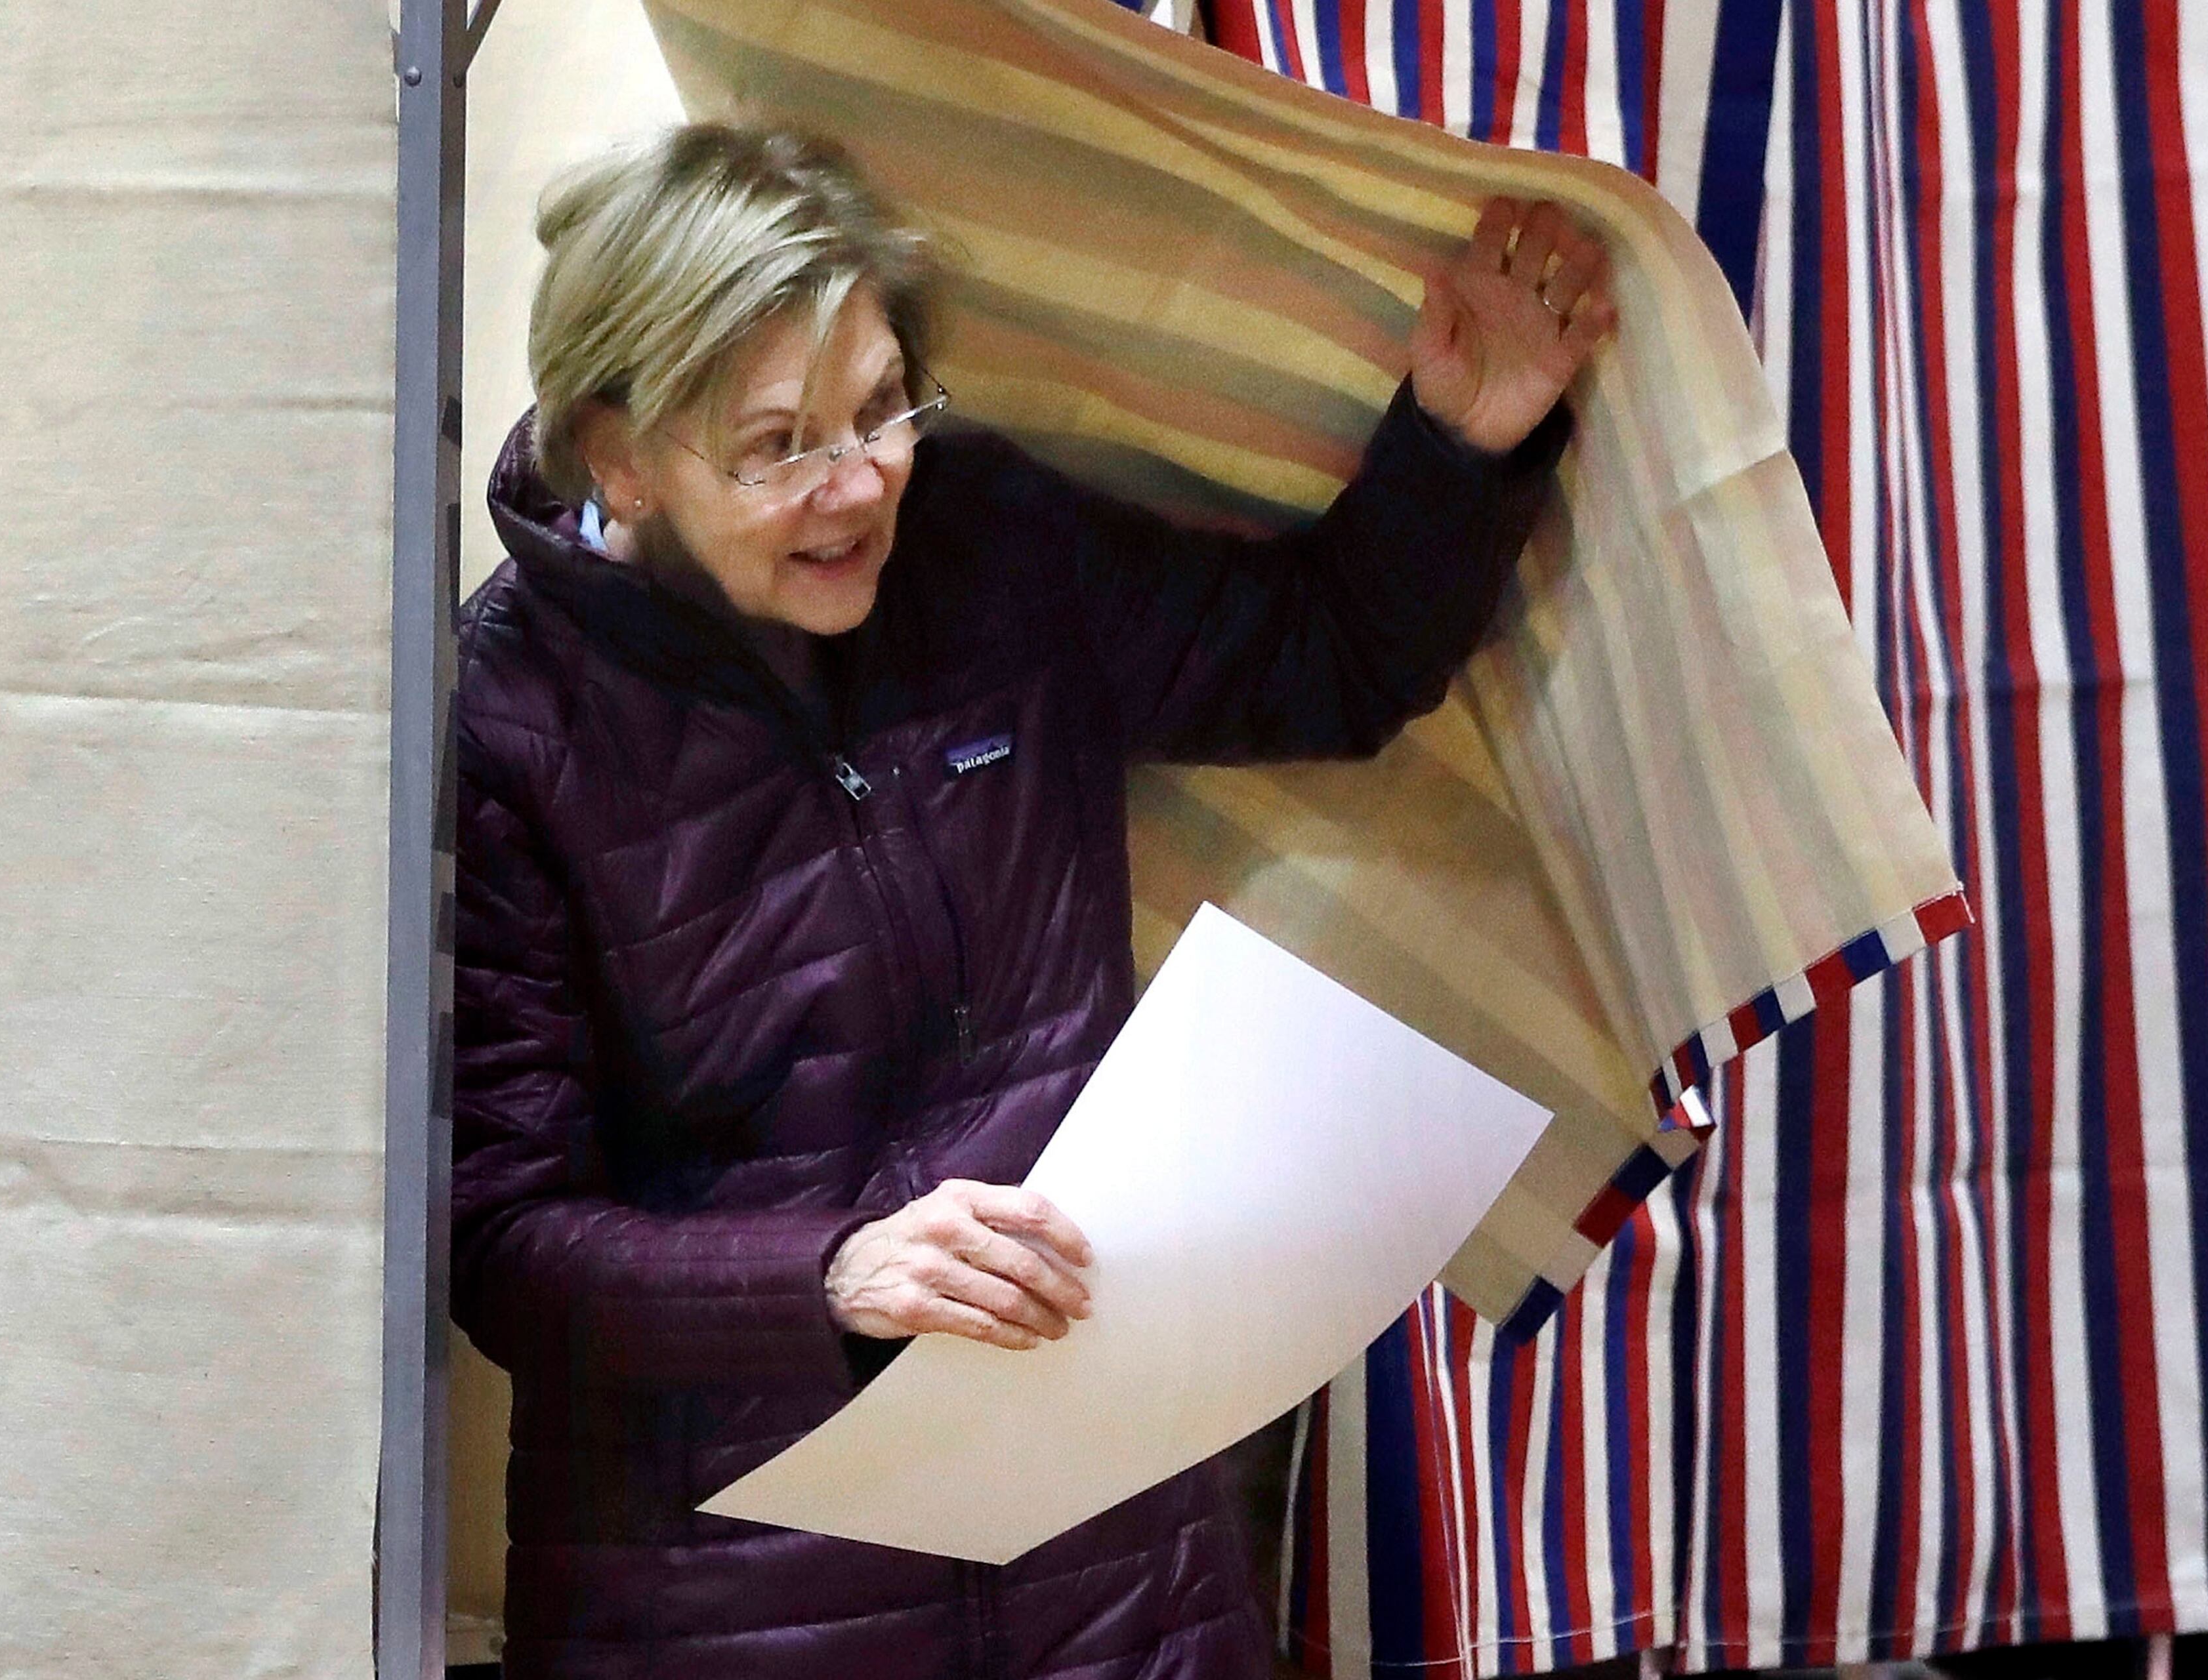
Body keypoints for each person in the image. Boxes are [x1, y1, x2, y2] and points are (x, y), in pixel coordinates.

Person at [452, 121, 1612, 1680]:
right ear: (618, 456)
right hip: (726, 1600)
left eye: (881, 407)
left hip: (1113, 1562)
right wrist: (830, 1276)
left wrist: (1463, 445)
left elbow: (1325, 660)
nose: (859, 482)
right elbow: (505, 1244)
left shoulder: (985, 541)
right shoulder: (506, 718)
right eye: (779, 443)